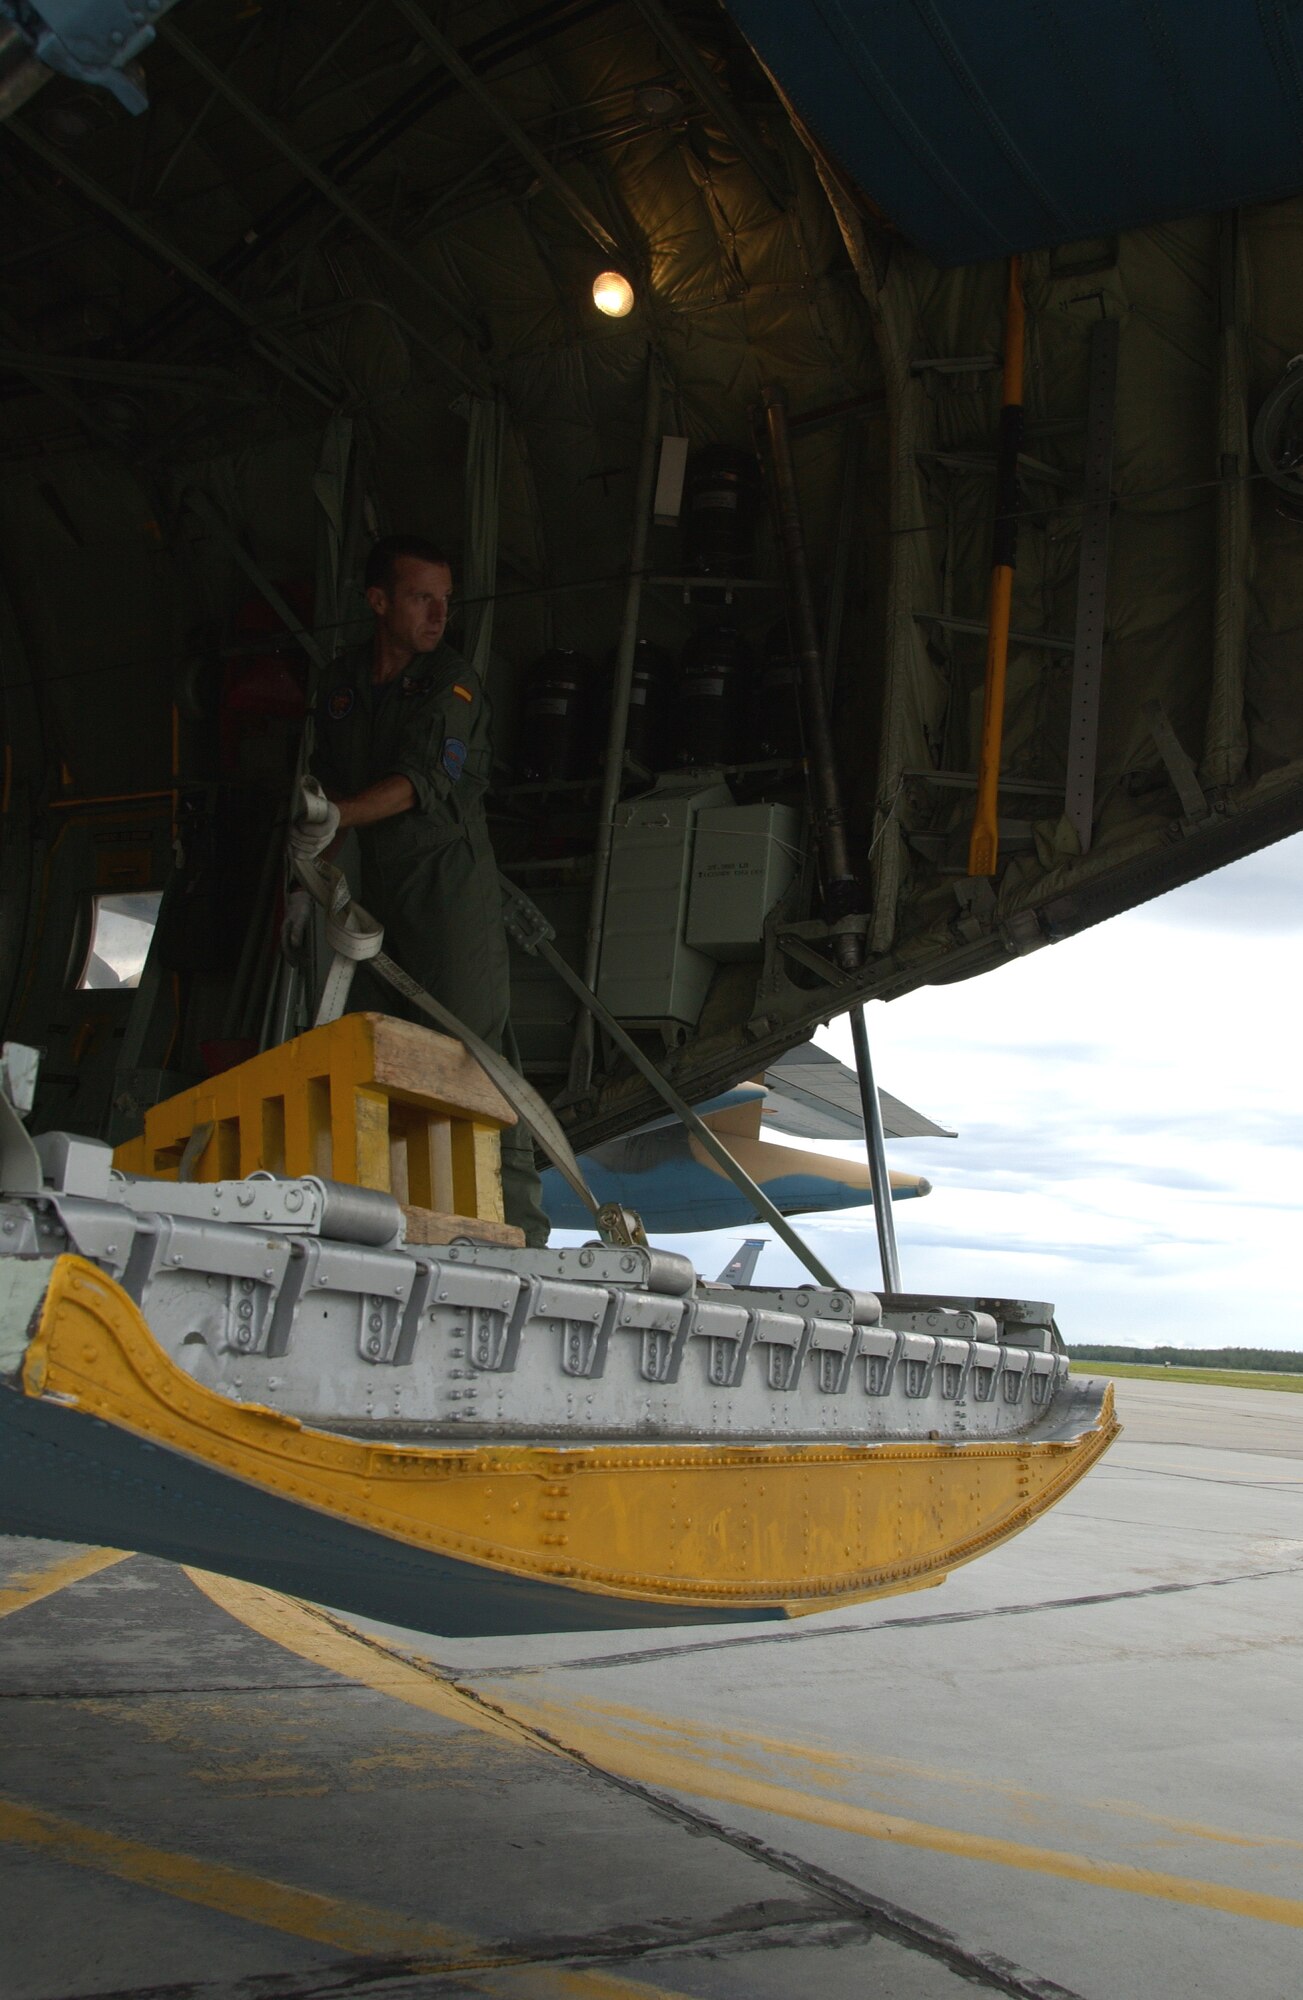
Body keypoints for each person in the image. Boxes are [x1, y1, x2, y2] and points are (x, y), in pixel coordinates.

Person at [306, 533, 549, 1246]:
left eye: (445, 600)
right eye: (421, 597)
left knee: (476, 1052)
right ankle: (388, 1217)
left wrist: (335, 817)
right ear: (378, 601)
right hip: (369, 885)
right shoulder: (343, 684)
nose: (438, 613)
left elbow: (421, 782)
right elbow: (326, 775)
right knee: (372, 1049)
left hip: (444, 886)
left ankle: (523, 1233)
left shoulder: (452, 682)